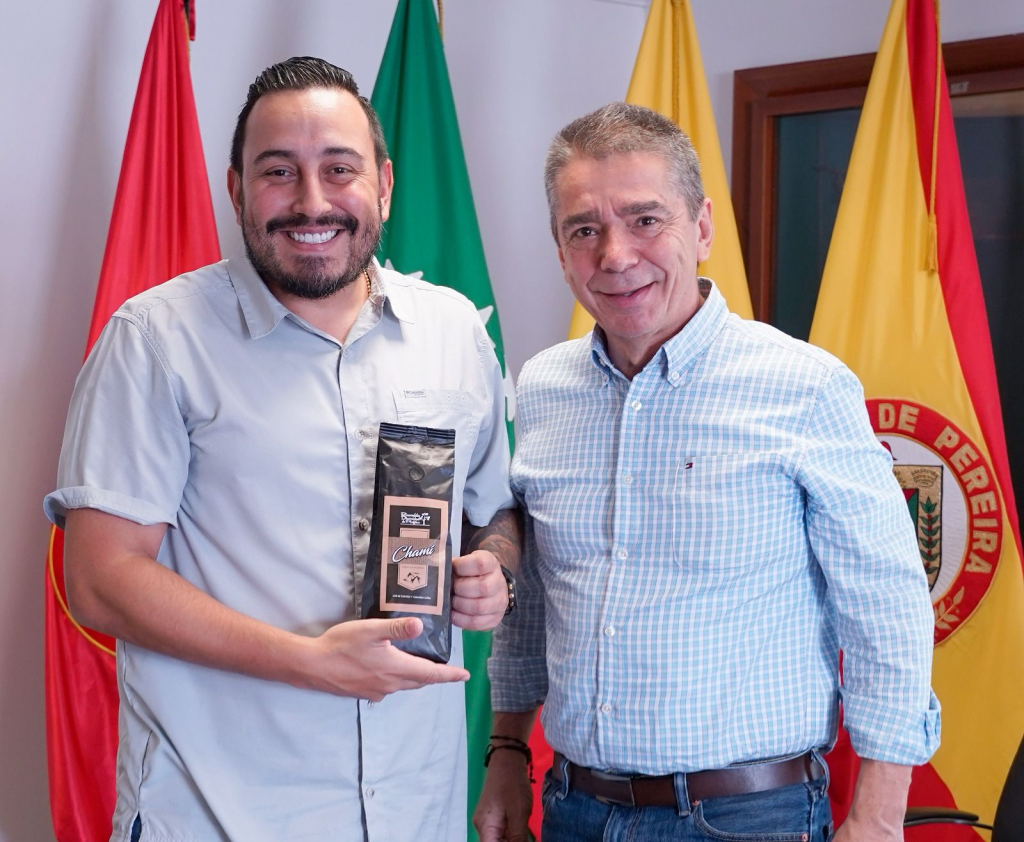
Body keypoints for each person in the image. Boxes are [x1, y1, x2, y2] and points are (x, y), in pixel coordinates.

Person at [45, 57, 520, 842]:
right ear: (236, 189)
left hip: (415, 813)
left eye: (339, 169)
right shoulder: (155, 340)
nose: (312, 201)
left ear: (384, 185)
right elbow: (99, 580)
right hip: (219, 816)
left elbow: (492, 509)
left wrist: (492, 570)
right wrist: (310, 660)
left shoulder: (454, 331)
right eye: (278, 171)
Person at [474, 103, 939, 842]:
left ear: (702, 227)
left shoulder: (806, 387)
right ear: (560, 251)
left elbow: (886, 607)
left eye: (645, 219)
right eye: (584, 230)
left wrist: (879, 815)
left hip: (750, 817)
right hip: (573, 808)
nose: (615, 255)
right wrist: (506, 753)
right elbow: (531, 601)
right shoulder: (541, 387)